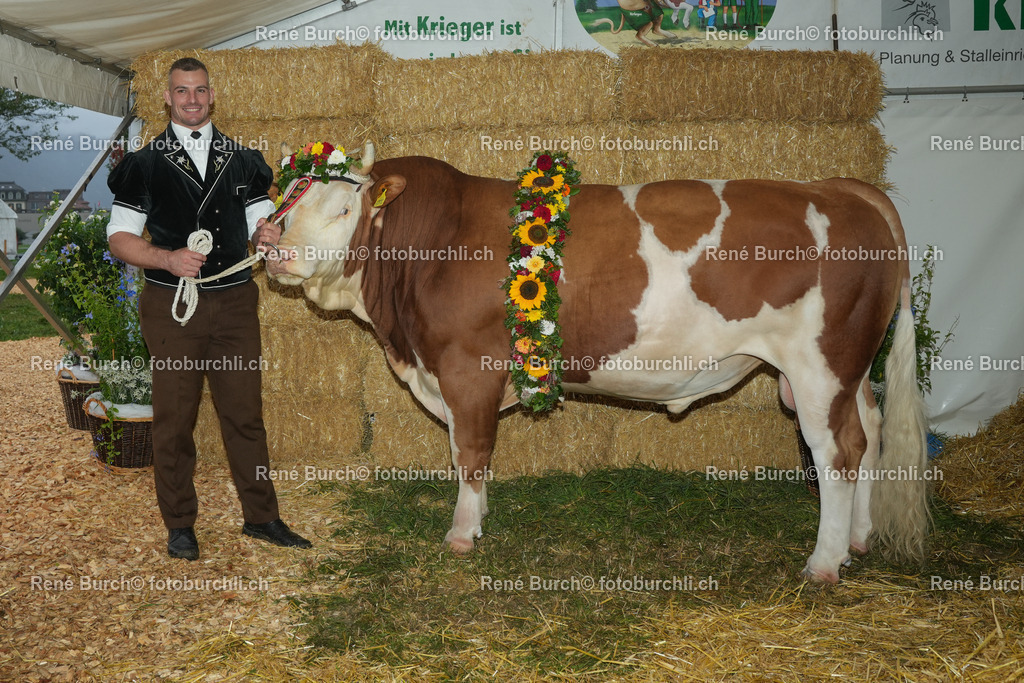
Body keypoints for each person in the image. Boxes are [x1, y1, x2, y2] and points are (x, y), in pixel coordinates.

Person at [107, 57, 311, 560]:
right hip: (172, 305)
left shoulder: (242, 160)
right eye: (182, 91)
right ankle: (179, 524)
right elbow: (119, 239)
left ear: (212, 95)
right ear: (168, 98)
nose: (191, 100)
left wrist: (269, 233)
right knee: (175, 419)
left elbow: (263, 221)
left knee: (245, 415)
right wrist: (167, 258)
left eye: (199, 91)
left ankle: (262, 518)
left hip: (236, 301)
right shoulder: (146, 163)